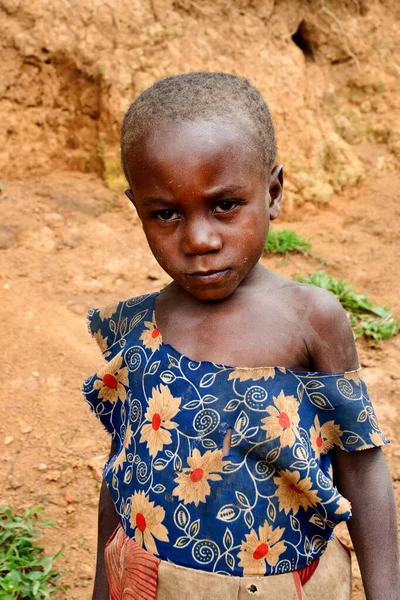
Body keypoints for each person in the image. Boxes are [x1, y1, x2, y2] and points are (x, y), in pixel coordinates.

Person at [83, 73, 399, 600]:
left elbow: (362, 467)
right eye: (165, 214)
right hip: (150, 586)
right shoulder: (135, 328)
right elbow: (123, 471)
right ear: (137, 208)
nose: (200, 239)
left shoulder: (311, 320)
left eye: (225, 205)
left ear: (272, 193)